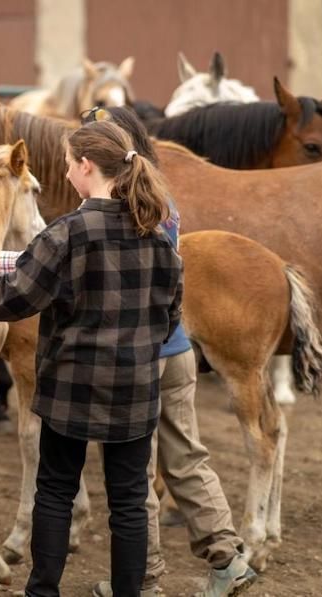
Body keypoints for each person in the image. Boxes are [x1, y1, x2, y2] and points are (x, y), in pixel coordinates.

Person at [0, 119, 183, 597]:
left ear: (86, 167)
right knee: (128, 503)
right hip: (136, 393)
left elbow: (12, 299)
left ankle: (43, 592)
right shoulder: (159, 239)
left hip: (70, 389)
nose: (63, 174)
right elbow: (168, 319)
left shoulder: (69, 233)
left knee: (55, 493)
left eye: (66, 165)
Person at [80, 107, 256, 597]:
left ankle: (144, 578)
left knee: (135, 472)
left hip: (136, 356)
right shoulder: (162, 197)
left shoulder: (108, 205)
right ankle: (227, 558)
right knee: (187, 458)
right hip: (176, 348)